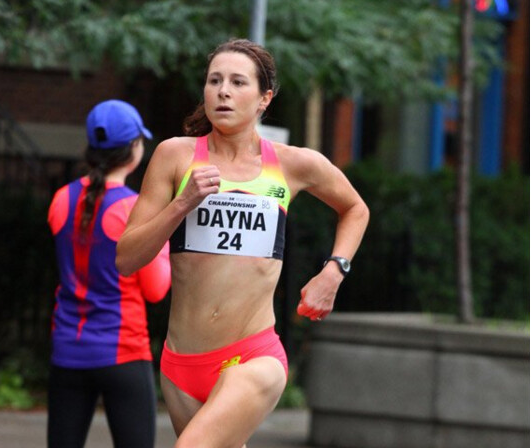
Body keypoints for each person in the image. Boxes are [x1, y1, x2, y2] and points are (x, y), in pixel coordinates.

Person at [116, 39, 369, 448]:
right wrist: (182, 204)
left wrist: (333, 271)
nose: (223, 92)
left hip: (254, 355)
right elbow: (126, 259)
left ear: (264, 98)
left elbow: (355, 208)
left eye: (237, 82)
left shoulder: (292, 163)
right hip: (181, 365)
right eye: (214, 81)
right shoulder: (174, 156)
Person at [46, 99, 171, 448]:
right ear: (133, 149)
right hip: (123, 352)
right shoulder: (134, 208)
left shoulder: (61, 198)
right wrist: (163, 242)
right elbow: (156, 289)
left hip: (68, 350)